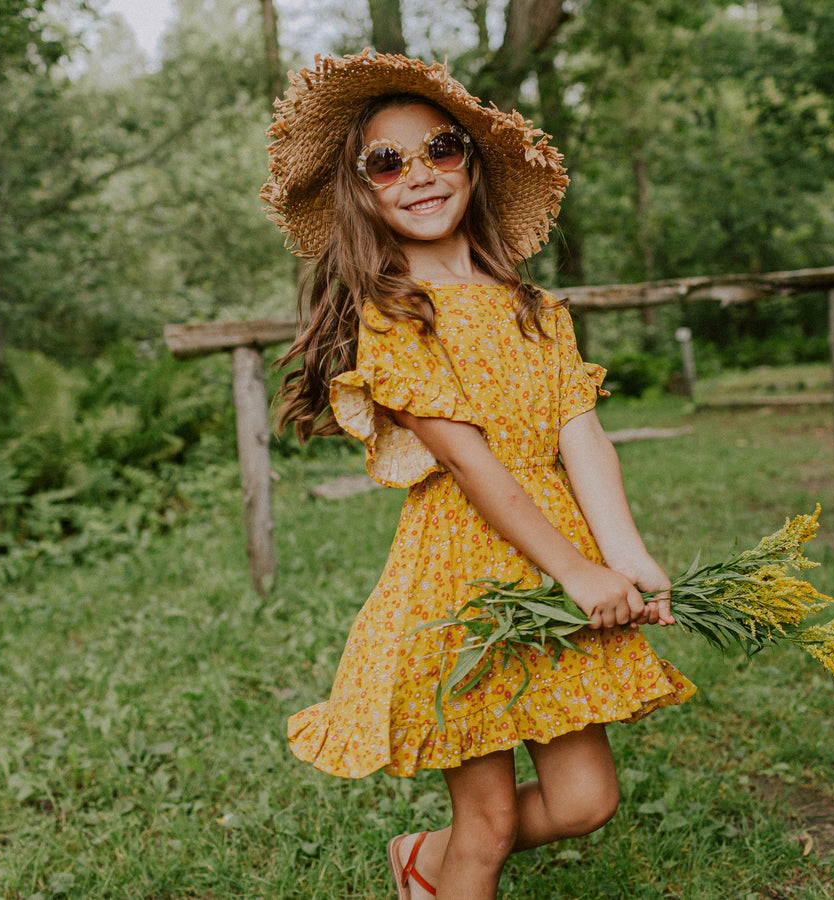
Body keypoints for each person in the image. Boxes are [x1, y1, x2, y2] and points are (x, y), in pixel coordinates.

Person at [262, 48, 696, 900]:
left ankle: (424, 859)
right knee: (490, 822)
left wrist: (626, 555)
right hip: (462, 582)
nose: (417, 175)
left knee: (585, 801)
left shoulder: (537, 310)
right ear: (363, 190)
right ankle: (454, 868)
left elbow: (584, 439)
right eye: (386, 162)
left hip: (556, 558)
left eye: (439, 150)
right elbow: (468, 462)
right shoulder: (392, 315)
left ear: (471, 161)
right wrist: (574, 572)